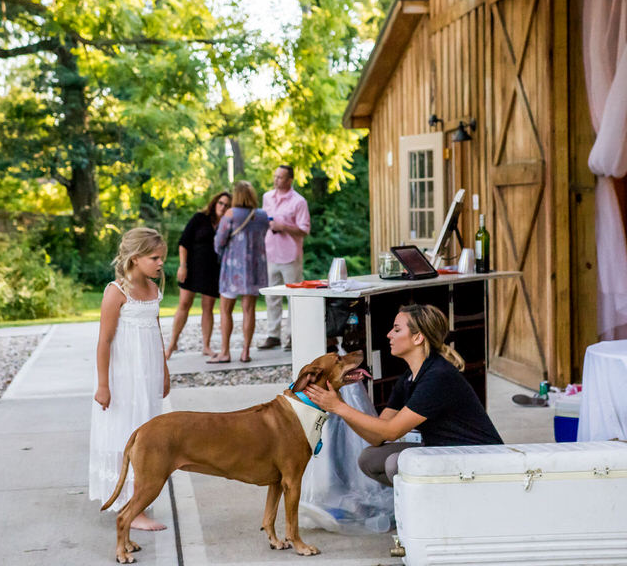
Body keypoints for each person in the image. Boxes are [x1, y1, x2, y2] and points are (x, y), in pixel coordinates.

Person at [303, 304, 502, 487]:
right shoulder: (408, 378)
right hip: (443, 450)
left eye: (397, 330)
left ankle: (428, 512)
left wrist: (338, 407)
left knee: (394, 464)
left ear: (418, 337)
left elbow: (391, 431)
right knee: (370, 458)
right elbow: (377, 437)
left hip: (478, 458)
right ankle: (418, 506)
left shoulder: (438, 377)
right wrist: (340, 406)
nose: (389, 334)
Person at [89, 227, 171, 530]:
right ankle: (130, 506)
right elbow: (105, 341)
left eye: (162, 257)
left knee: (148, 432)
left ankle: (140, 499)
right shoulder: (117, 291)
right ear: (135, 259)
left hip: (147, 373)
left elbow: (157, 331)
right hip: (124, 376)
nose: (161, 263)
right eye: (154, 257)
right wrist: (103, 384)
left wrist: (163, 370)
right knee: (126, 429)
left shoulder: (152, 289)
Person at [165, 191, 231, 359]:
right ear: (215, 203)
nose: (223, 207)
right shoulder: (199, 218)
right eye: (221, 203)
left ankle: (206, 346)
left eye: (227, 205)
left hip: (213, 271)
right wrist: (182, 266)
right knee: (184, 304)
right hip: (192, 268)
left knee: (207, 308)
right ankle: (172, 343)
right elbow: (183, 243)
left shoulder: (228, 223)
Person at [209, 180, 269, 364]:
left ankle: (225, 352)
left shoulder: (231, 214)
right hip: (254, 268)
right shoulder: (262, 216)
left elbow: (219, 242)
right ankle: (245, 352)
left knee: (226, 310)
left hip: (232, 268)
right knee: (249, 310)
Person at [259, 164, 310, 352]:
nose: (276, 180)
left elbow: (305, 229)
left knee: (294, 298)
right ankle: (273, 335)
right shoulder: (267, 197)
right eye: (275, 176)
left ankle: (292, 337)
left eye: (281, 177)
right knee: (272, 297)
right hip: (271, 252)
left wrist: (284, 226)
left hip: (290, 255)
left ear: (290, 180)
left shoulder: (299, 201)